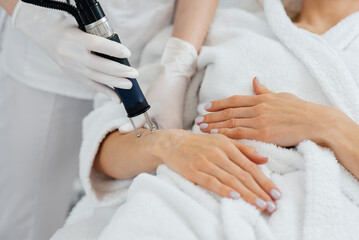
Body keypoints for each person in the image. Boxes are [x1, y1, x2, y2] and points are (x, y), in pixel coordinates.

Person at [51, 0, 359, 238]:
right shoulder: (221, 26)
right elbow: (105, 147)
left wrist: (324, 124)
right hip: (184, 205)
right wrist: (168, 145)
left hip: (313, 217)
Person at [0, 0, 219, 239]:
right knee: (26, 219)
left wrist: (178, 65)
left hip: (153, 55)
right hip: (43, 67)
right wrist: (37, 22)